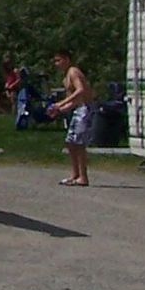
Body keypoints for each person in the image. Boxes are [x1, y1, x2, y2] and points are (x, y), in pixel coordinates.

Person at [47, 49, 94, 187]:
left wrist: (60, 103)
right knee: (71, 142)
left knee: (79, 143)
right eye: (55, 61)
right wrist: (59, 110)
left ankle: (83, 177)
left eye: (59, 60)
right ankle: (75, 175)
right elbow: (74, 100)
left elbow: (81, 90)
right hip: (78, 109)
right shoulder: (66, 77)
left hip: (86, 109)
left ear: (67, 59)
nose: (56, 64)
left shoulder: (73, 72)